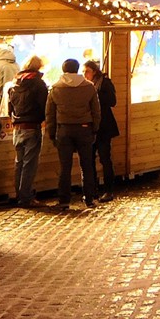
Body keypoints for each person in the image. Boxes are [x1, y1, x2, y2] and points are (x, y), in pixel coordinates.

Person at [46, 57, 101, 209]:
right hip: (84, 128)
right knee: (86, 165)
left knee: (65, 167)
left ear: (63, 70)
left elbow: (49, 113)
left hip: (64, 129)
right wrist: (94, 128)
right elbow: (96, 111)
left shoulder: (55, 88)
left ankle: (64, 200)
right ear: (77, 69)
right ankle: (89, 198)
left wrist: (51, 133)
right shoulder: (89, 86)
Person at [4, 56, 48, 207]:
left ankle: (19, 194)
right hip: (32, 126)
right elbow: (44, 106)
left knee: (19, 162)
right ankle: (26, 197)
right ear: (39, 67)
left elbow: (10, 107)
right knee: (30, 164)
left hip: (17, 128)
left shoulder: (13, 84)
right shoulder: (39, 84)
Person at [85, 60, 121, 194]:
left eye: (87, 71)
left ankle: (108, 190)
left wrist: (96, 95)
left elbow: (112, 101)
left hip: (104, 126)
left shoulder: (104, 82)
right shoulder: (85, 85)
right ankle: (92, 189)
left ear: (94, 71)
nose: (85, 74)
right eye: (83, 71)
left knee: (105, 158)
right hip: (91, 127)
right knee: (89, 159)